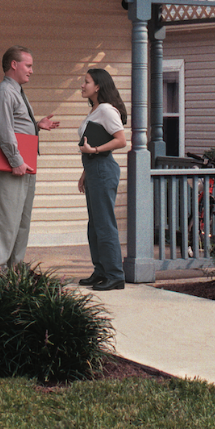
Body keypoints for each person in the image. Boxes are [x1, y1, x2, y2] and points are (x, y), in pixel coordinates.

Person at [0, 46, 59, 272]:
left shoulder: (16, 91)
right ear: (14, 65)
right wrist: (16, 161)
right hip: (12, 163)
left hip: (24, 163)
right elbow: (3, 131)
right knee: (6, 222)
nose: (31, 71)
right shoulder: (3, 92)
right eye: (28, 65)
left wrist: (36, 126)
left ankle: (15, 274)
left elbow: (15, 125)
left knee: (21, 222)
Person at [77, 68, 128, 291]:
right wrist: (85, 173)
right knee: (95, 225)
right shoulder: (95, 110)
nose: (82, 85)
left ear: (97, 87)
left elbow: (121, 140)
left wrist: (95, 150)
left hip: (103, 169)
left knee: (104, 224)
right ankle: (101, 271)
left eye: (86, 82)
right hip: (94, 169)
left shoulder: (107, 110)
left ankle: (115, 275)